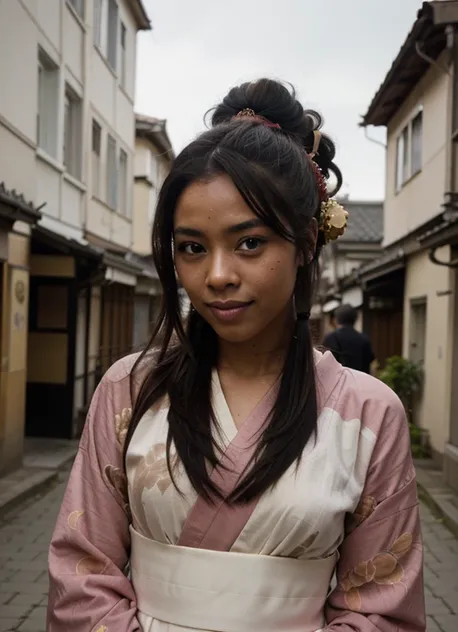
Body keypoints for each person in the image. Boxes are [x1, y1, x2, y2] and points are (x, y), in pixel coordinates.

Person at [47, 79, 425, 632]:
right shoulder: (128, 389)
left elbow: (380, 609)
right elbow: (81, 574)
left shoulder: (369, 413)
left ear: (305, 243)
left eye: (250, 243)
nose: (218, 276)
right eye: (192, 248)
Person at [323, 303, 376, 374]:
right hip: (360, 381)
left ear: (337, 319)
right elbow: (371, 363)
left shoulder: (331, 338)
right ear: (355, 319)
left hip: (339, 381)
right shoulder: (364, 339)